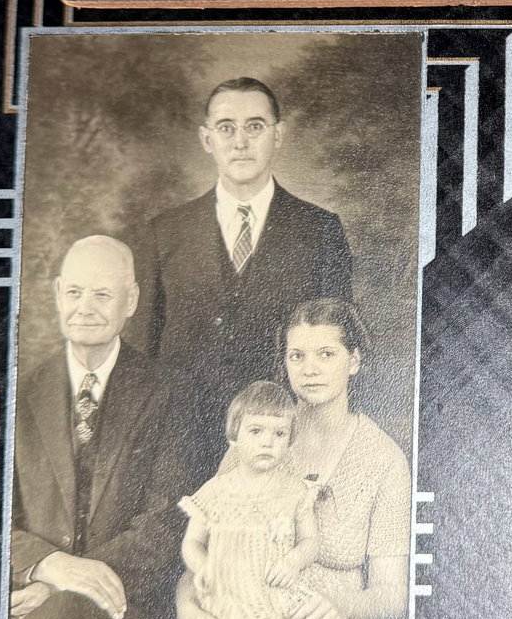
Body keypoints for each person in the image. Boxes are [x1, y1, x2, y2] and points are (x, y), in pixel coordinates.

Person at [131, 77, 353, 490]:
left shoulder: (320, 230)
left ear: (278, 135)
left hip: (282, 439)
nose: (240, 142)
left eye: (255, 126)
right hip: (180, 445)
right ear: (206, 138)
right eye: (226, 127)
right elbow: (143, 350)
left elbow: (337, 350)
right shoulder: (165, 232)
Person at [9, 234, 177, 619]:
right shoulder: (16, 387)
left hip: (122, 607)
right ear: (57, 294)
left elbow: (167, 520)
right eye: (74, 292)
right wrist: (46, 564)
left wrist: (62, 582)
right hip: (24, 601)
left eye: (102, 294)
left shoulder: (167, 390)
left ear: (132, 300)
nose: (85, 308)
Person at [275, 300, 411, 619]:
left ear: (354, 361)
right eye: (297, 356)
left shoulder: (385, 460)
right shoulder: (260, 434)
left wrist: (342, 606)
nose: (310, 369)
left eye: (326, 354)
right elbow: (205, 557)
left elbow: (392, 595)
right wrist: (191, 610)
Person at [176, 381, 342, 619]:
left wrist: (292, 562)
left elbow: (310, 541)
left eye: (279, 434)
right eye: (256, 431)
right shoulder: (215, 491)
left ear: (290, 440)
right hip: (232, 593)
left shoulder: (296, 491)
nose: (268, 442)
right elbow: (193, 542)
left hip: (280, 590)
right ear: (234, 437)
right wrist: (204, 566)